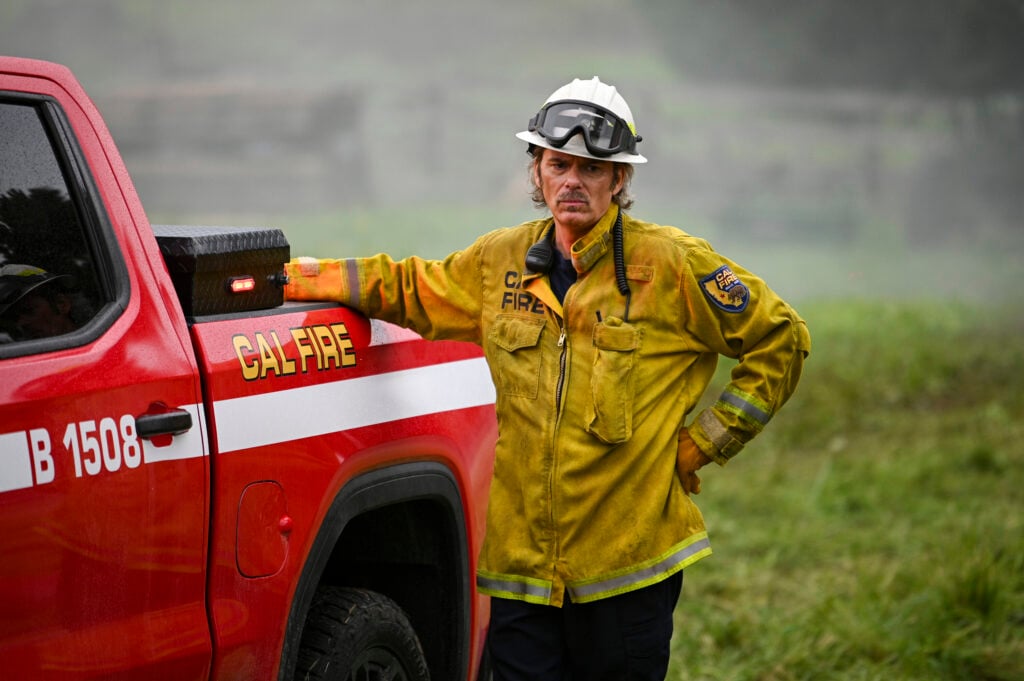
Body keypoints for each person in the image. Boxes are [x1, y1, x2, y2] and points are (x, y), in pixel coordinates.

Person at [284, 76, 811, 680]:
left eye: (592, 168)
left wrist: (703, 443)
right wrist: (298, 278)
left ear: (619, 181)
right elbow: (409, 286)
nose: (573, 181)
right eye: (558, 164)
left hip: (626, 569)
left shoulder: (670, 264)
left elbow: (782, 339)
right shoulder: (498, 261)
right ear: (536, 172)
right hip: (523, 574)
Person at [0, 263, 78, 341]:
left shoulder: (89, 340)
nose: (20, 323)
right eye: (13, 318)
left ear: (62, 304)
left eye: (28, 311)